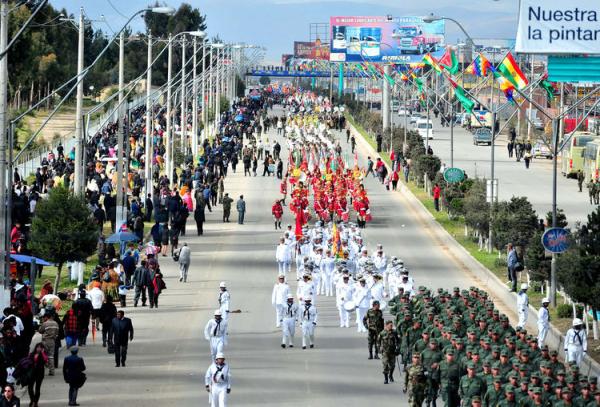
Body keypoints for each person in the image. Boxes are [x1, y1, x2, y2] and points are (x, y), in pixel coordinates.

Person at [27, 343, 47, 407]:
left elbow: (45, 361)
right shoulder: (31, 354)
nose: (39, 348)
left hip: (40, 373)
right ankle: (32, 400)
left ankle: (36, 402)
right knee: (30, 388)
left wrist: (43, 353)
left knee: (37, 388)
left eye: (40, 347)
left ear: (42, 348)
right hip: (32, 373)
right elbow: (28, 362)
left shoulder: (43, 355)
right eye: (38, 347)